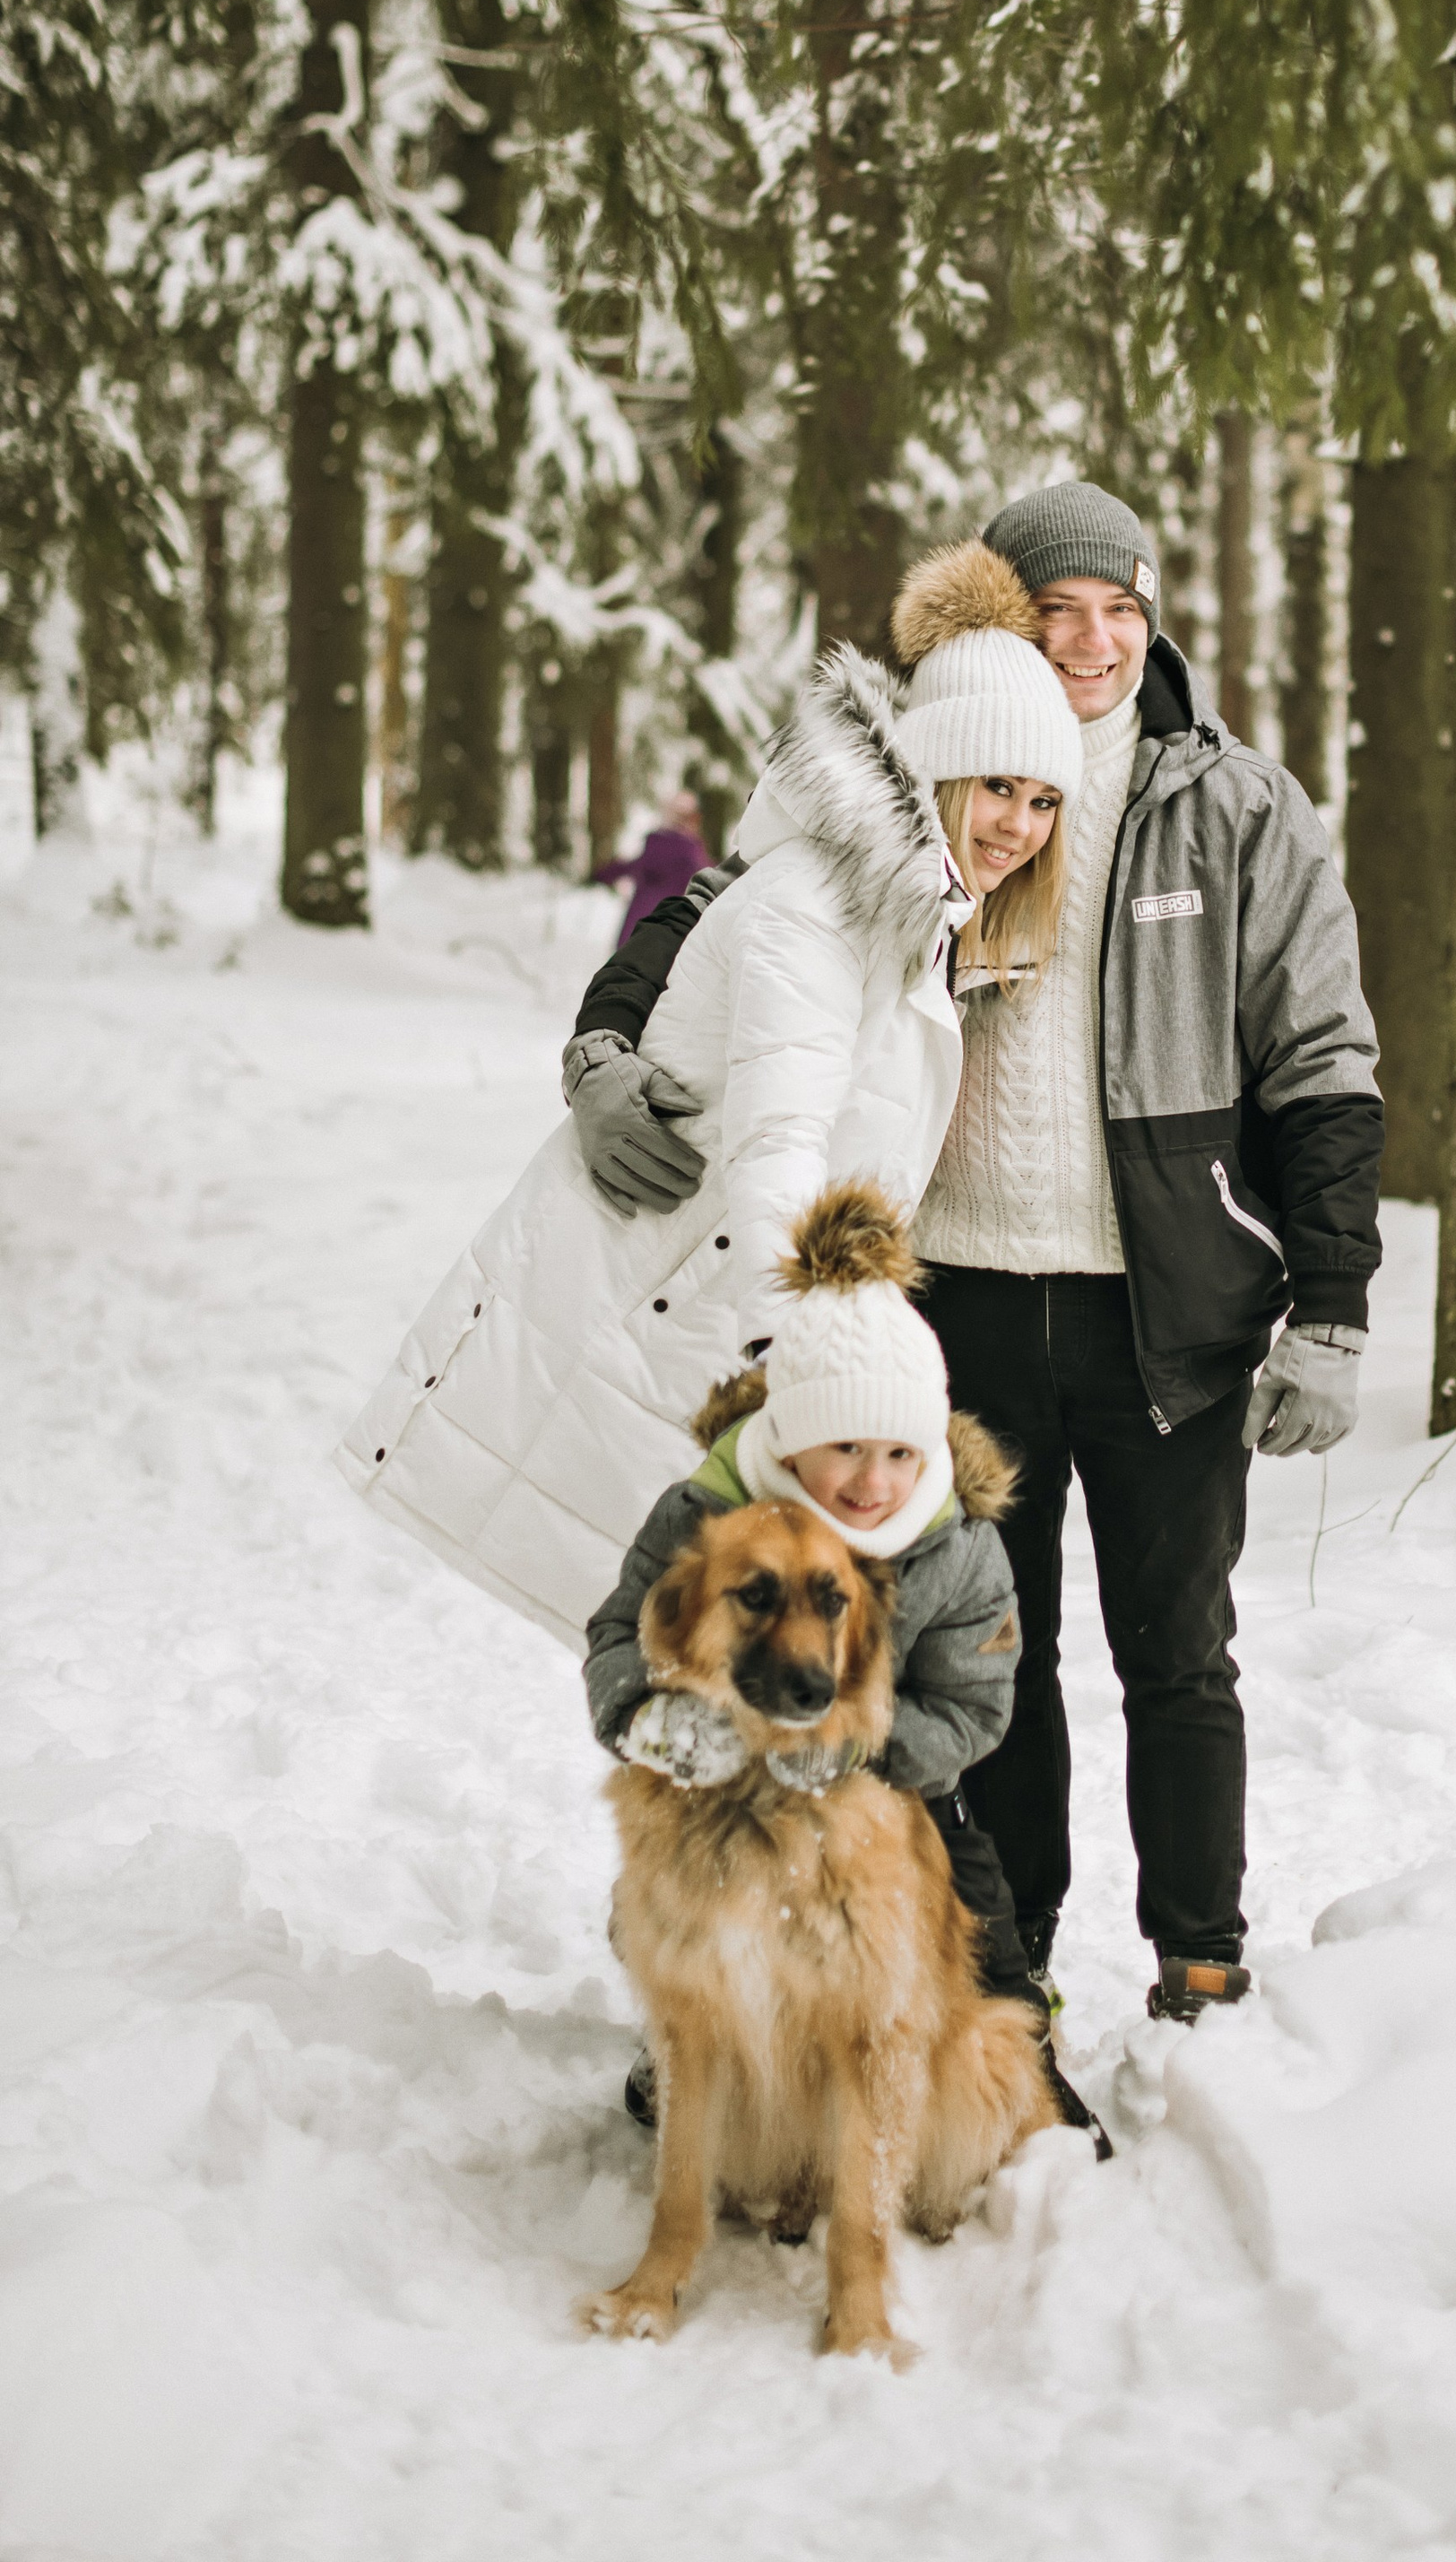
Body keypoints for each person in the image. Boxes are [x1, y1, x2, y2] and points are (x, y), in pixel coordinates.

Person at [561, 480, 1385, 2026]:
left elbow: (1325, 1059)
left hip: (1171, 1312)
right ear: (1005, 618)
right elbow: (718, 915)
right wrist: (607, 1043)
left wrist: (1329, 1301)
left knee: (1179, 1652)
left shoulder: (1239, 808)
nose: (1095, 643)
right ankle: (1009, 1960)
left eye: (1123, 613)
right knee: (989, 1643)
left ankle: (1200, 1954)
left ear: (1155, 624)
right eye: (1060, 612)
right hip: (958, 1313)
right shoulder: (911, 786)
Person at [338, 536, 1079, 1669]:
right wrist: (825, 1372)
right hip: (688, 1325)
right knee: (715, 1694)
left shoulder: (909, 916)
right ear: (934, 772)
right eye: (995, 788)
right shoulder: (823, 907)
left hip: (715, 1337)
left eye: (1040, 802)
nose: (1018, 827)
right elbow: (780, 1148)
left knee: (724, 1696)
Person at [583, 1177, 1105, 2145]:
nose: (874, 1482)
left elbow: (978, 1703)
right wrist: (642, 1714)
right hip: (724, 1788)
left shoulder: (954, 1546)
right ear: (789, 1436)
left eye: (901, 1453)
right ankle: (692, 2037)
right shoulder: (707, 1513)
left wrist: (866, 1749)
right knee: (663, 1906)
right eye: (846, 1448)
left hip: (897, 1795)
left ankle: (1013, 2038)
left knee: (973, 1934)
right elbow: (617, 1633)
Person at [592, 786, 710, 949]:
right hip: (671, 930)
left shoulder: (655, 844)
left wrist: (600, 875)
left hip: (637, 927)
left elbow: (628, 866)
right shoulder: (692, 854)